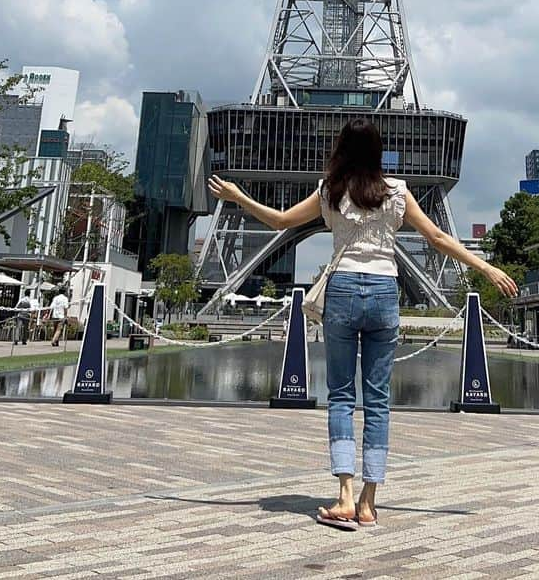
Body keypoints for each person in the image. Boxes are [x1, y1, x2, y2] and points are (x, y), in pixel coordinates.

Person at [209, 117, 517, 532]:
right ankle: (369, 503)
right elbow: (438, 238)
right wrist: (485, 266)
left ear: (340, 150)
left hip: (343, 290)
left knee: (340, 395)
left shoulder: (328, 192)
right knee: (377, 398)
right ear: (379, 151)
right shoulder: (398, 192)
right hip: (385, 292)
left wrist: (238, 195)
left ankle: (345, 496)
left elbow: (280, 221)